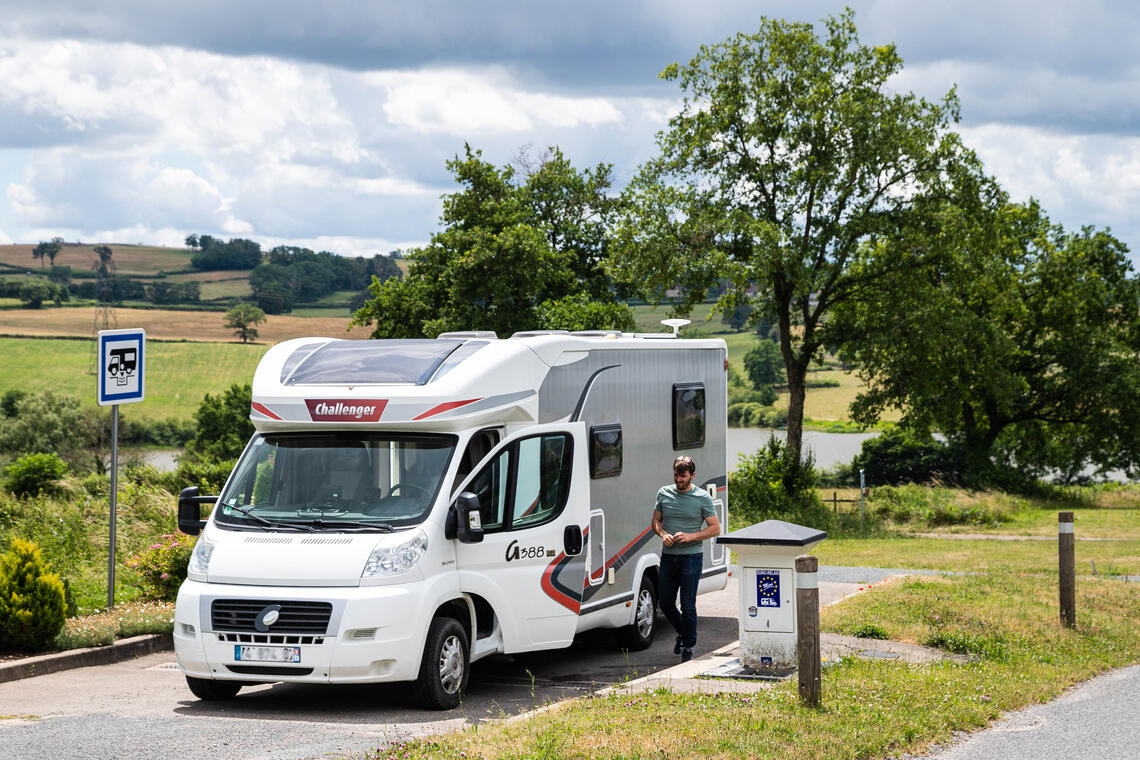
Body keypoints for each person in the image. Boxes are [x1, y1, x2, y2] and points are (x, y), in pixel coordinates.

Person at [652, 455, 721, 662]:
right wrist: (663, 535)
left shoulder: (702, 498)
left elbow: (715, 528)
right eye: (675, 475)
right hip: (669, 557)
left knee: (688, 604)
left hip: (691, 557)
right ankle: (684, 633)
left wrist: (690, 536)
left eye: (682, 476)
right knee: (664, 603)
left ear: (692, 475)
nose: (678, 479)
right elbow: (656, 521)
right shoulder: (663, 493)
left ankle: (688, 647)